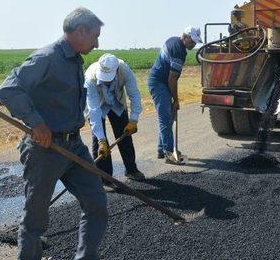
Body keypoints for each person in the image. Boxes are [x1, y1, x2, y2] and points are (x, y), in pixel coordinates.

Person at [0, 8, 116, 260]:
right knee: (36, 213)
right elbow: (8, 90)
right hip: (44, 149)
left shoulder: (75, 59)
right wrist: (36, 122)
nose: (97, 44)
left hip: (72, 144)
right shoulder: (47, 58)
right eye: (95, 37)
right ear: (81, 32)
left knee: (96, 200)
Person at [85, 53, 145, 183]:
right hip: (98, 104)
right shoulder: (90, 78)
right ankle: (105, 178)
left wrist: (133, 120)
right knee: (99, 143)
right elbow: (94, 111)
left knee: (125, 134)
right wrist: (101, 140)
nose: (106, 81)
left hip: (116, 103)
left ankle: (131, 170)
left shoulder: (124, 70)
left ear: (116, 70)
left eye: (109, 78)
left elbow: (134, 94)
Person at [147, 26, 202, 164]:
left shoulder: (174, 41)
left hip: (163, 82)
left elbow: (172, 79)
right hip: (159, 82)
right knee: (165, 117)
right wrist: (176, 100)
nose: (194, 44)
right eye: (192, 41)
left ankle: (162, 149)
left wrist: (173, 98)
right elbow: (172, 79)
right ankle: (169, 153)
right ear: (184, 37)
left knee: (168, 116)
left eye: (195, 42)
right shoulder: (178, 51)